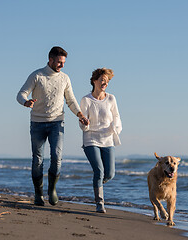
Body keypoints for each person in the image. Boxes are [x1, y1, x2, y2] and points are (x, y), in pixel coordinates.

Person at [17, 46, 89, 206]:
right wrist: (26, 102)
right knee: (38, 160)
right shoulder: (37, 75)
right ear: (50, 60)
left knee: (57, 158)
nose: (62, 65)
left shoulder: (65, 78)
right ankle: (38, 194)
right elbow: (21, 93)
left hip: (57, 122)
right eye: (59, 62)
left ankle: (52, 190)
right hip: (37, 123)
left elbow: (70, 100)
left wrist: (80, 115)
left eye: (63, 62)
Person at [79, 68, 122, 213]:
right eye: (102, 80)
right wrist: (84, 123)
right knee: (99, 170)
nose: (105, 83)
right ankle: (99, 203)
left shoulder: (111, 98)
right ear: (94, 81)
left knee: (109, 174)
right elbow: (82, 120)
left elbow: (116, 117)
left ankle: (97, 184)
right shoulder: (86, 100)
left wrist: (115, 127)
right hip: (91, 138)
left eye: (107, 81)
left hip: (107, 139)